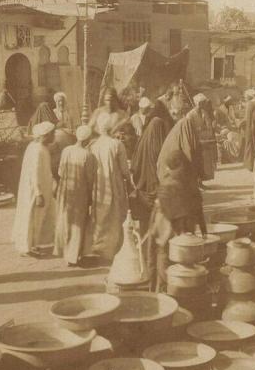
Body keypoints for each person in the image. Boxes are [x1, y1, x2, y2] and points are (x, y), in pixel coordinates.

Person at [148, 150, 207, 290]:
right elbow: (198, 206)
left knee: (164, 259)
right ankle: (178, 289)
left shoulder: (168, 182)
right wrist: (203, 229)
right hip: (185, 230)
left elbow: (162, 208)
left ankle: (163, 290)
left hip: (167, 227)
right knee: (184, 264)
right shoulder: (190, 180)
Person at [85, 112, 130, 261]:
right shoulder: (117, 144)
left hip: (98, 184)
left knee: (100, 214)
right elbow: (124, 169)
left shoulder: (93, 145)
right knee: (114, 214)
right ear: (111, 127)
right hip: (114, 183)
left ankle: (99, 247)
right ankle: (112, 249)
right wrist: (129, 180)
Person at [12, 121, 57, 256]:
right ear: (45, 135)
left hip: (39, 188)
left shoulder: (35, 147)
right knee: (33, 218)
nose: (54, 137)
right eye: (52, 134)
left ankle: (34, 244)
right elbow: (35, 172)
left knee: (37, 217)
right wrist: (38, 193)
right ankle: (28, 247)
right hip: (36, 189)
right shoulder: (37, 150)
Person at [54, 125, 96, 266]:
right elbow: (90, 178)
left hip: (65, 191)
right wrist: (90, 195)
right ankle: (74, 255)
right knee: (78, 224)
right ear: (87, 140)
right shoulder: (88, 155)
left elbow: (60, 172)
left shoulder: (66, 150)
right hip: (80, 192)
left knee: (66, 221)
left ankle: (67, 254)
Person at [130, 100, 171, 234]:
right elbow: (158, 154)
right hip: (152, 177)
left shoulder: (147, 130)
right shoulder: (157, 124)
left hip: (144, 179)